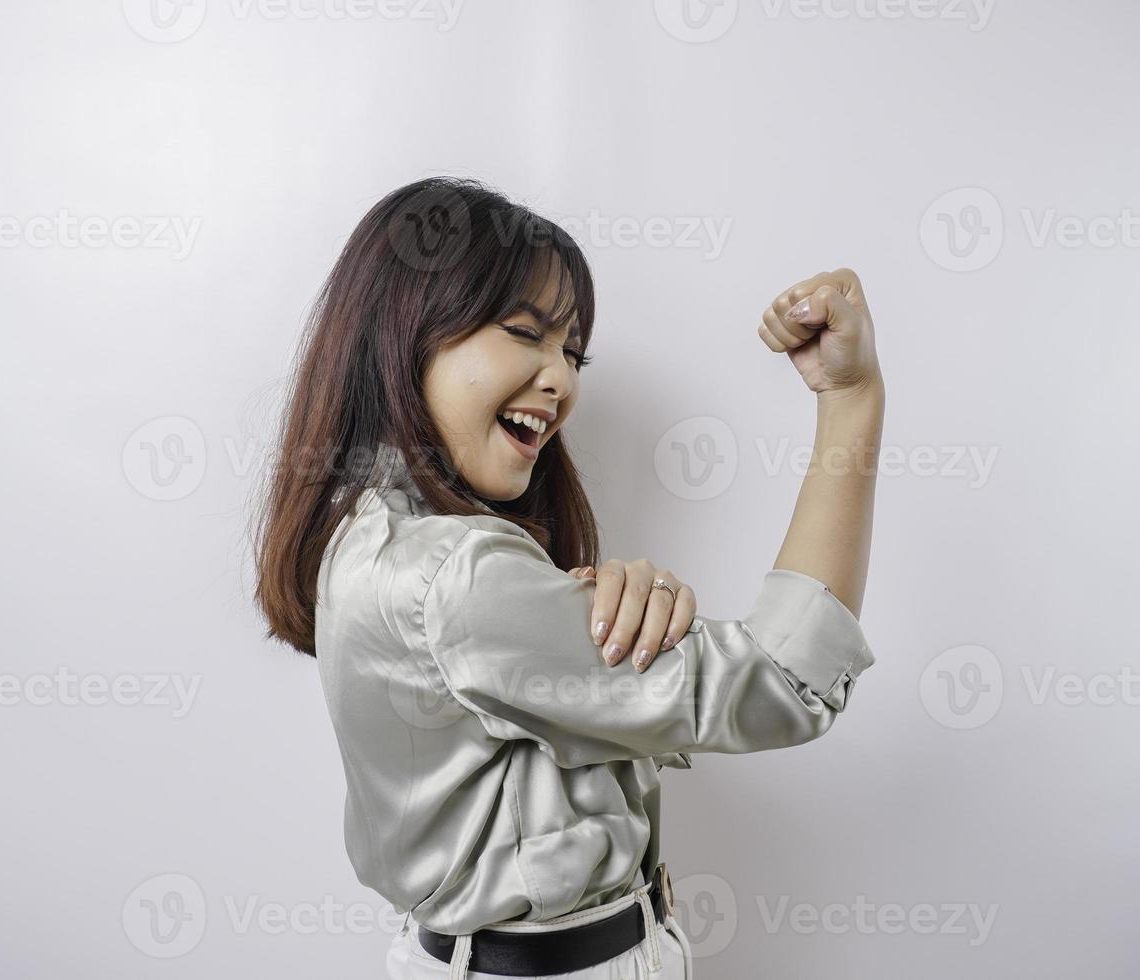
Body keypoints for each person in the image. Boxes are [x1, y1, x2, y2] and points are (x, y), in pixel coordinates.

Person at [253, 176, 885, 978]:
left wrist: (613, 618)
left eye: (573, 351)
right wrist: (852, 396)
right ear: (404, 332)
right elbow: (787, 683)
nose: (562, 381)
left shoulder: (376, 534)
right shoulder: (457, 576)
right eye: (526, 332)